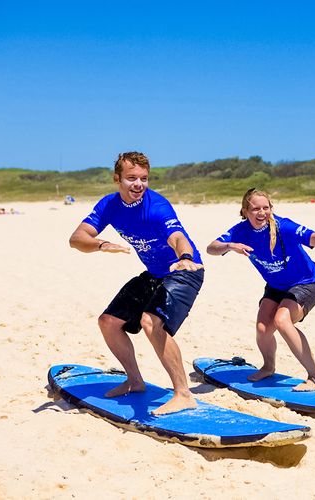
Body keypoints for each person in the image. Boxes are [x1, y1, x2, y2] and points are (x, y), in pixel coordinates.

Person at [69, 151, 205, 415]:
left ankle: (183, 394)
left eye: (144, 178)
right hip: (155, 273)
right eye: (132, 178)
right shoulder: (109, 205)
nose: (139, 184)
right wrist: (101, 244)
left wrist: (185, 256)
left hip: (184, 270)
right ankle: (134, 380)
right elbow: (76, 238)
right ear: (117, 179)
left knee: (150, 322)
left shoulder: (157, 206)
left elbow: (177, 236)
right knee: (108, 322)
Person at [206, 188, 315, 391]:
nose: (261, 212)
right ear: (245, 211)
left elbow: (313, 237)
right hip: (276, 286)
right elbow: (211, 248)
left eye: (266, 208)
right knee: (263, 329)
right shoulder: (241, 232)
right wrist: (230, 246)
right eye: (256, 208)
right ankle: (268, 367)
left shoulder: (284, 227)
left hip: (307, 282)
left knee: (282, 320)